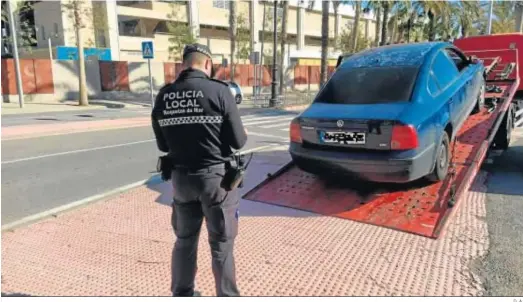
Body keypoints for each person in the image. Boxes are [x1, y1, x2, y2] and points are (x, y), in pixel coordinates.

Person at [151, 43, 247, 297]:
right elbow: (239, 141)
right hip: (216, 182)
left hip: (181, 180)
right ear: (207, 64)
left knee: (184, 241)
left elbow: (163, 144)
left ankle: (182, 293)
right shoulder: (219, 92)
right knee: (221, 245)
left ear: (184, 64)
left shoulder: (164, 95)